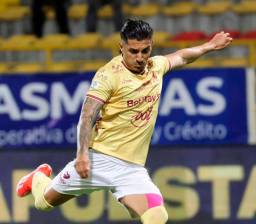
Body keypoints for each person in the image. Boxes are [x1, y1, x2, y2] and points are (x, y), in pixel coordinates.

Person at [16, 19, 232, 223]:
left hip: (131, 169)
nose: (140, 57)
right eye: (133, 51)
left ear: (151, 46)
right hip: (97, 160)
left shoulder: (155, 67)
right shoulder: (108, 75)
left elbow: (182, 56)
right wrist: (81, 153)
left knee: (157, 216)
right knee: (44, 203)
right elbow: (87, 115)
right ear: (121, 47)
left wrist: (209, 46)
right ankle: (37, 179)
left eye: (145, 51)